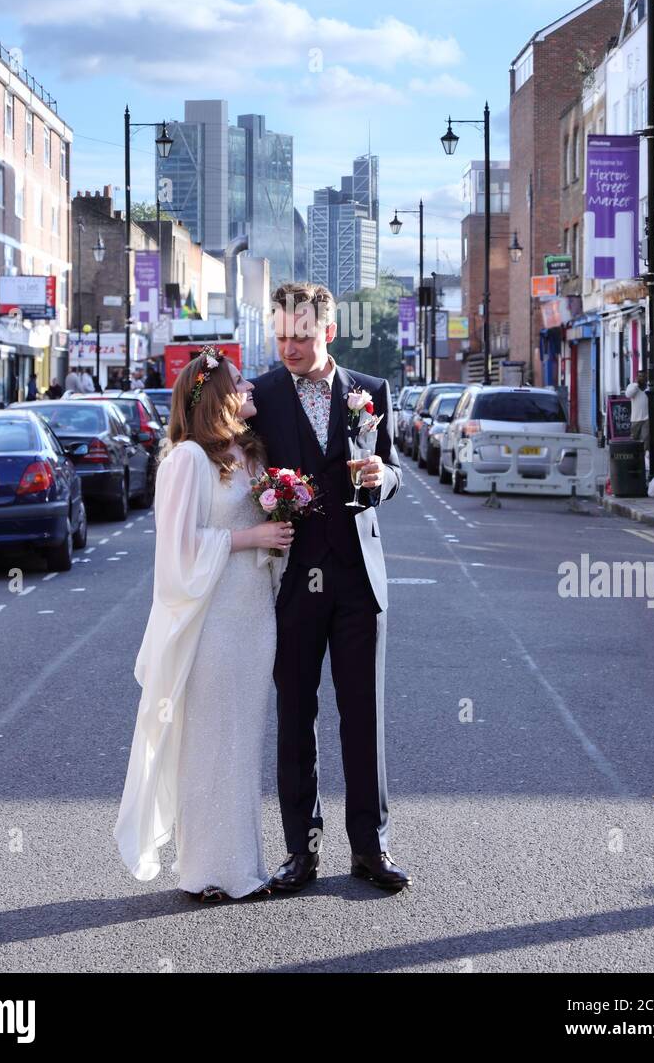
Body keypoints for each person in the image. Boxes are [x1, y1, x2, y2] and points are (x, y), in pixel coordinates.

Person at [114, 346, 293, 900]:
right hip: (212, 618)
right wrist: (253, 538)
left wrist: (280, 531)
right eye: (241, 383)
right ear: (217, 397)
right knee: (210, 741)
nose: (252, 390)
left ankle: (241, 866)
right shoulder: (187, 460)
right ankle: (206, 871)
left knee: (242, 741)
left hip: (254, 615)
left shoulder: (252, 457)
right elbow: (177, 551)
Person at [250, 280, 410, 894]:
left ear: (329, 332)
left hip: (358, 580)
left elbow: (393, 472)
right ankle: (301, 852)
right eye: (282, 334)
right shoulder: (258, 396)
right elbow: (237, 474)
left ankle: (371, 848)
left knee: (361, 716)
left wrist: (381, 476)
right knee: (296, 716)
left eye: (302, 335)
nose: (289, 346)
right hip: (293, 580)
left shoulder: (371, 392)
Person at [626, 370, 649, 449]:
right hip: (635, 419)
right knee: (634, 440)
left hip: (647, 418)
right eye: (640, 376)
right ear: (637, 377)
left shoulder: (648, 387)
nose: (642, 378)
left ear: (646, 377)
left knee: (645, 440)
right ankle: (636, 457)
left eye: (643, 376)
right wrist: (636, 385)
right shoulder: (632, 386)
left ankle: (645, 458)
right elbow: (628, 395)